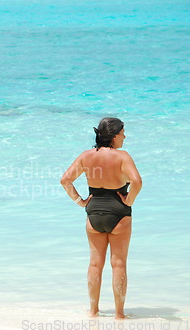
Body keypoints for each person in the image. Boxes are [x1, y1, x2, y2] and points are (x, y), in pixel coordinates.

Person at [60, 117, 142, 319]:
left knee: (95, 264)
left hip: (94, 212)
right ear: (114, 136)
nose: (124, 136)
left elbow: (65, 180)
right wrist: (129, 200)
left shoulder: (86, 156)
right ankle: (119, 315)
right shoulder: (122, 156)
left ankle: (93, 311)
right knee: (119, 263)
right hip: (118, 212)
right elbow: (137, 181)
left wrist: (81, 201)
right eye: (122, 133)